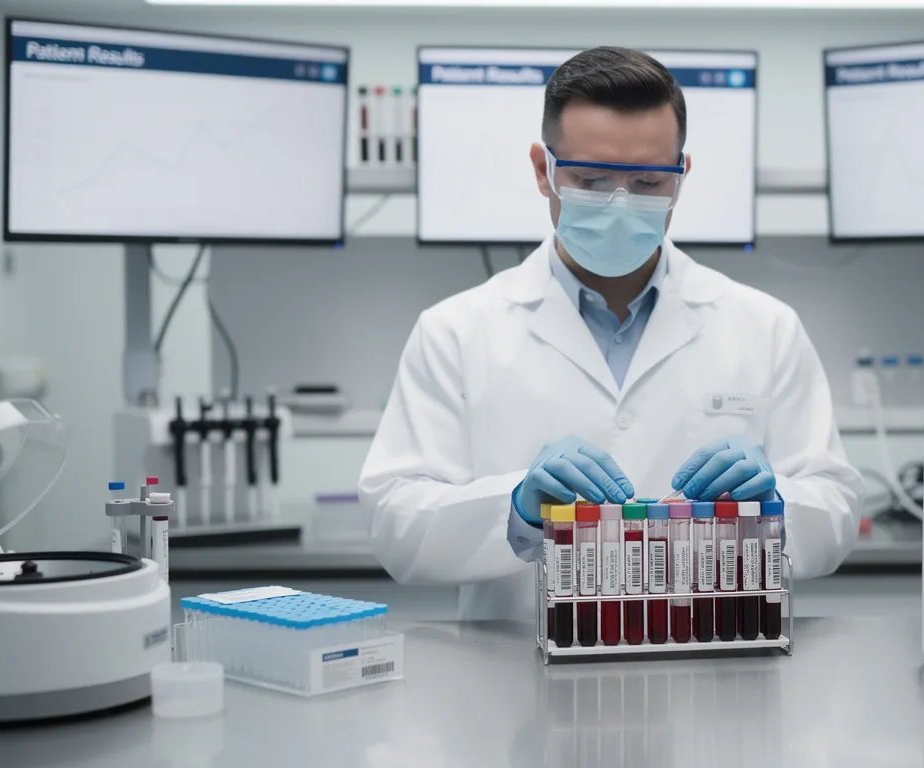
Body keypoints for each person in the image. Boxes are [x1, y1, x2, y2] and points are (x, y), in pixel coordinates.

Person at [361, 47, 863, 620]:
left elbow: (837, 507)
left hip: (717, 674)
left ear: (681, 177)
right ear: (541, 169)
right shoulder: (455, 331)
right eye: (591, 178)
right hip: (513, 686)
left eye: (649, 181)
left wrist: (778, 506)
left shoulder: (764, 327)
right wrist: (515, 506)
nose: (620, 204)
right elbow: (395, 524)